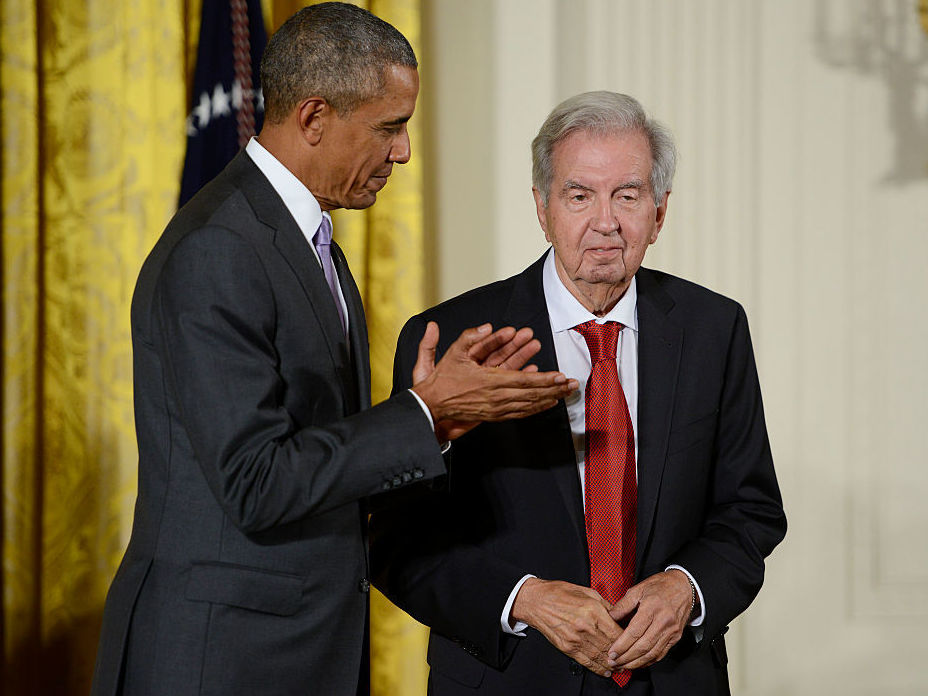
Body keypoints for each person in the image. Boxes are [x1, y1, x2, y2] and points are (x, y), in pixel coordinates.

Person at [89, 4, 576, 696]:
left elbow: (321, 452)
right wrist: (419, 413)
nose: (403, 151)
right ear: (314, 118)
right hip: (221, 662)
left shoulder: (308, 240)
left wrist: (439, 421)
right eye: (389, 127)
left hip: (297, 654)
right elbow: (255, 483)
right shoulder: (220, 250)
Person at [371, 91, 787, 696]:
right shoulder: (457, 339)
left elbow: (751, 511)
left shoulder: (713, 329)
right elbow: (396, 536)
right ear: (542, 208)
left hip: (671, 678)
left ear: (660, 211)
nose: (606, 222)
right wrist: (524, 599)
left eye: (629, 194)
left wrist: (686, 587)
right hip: (511, 676)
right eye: (579, 195)